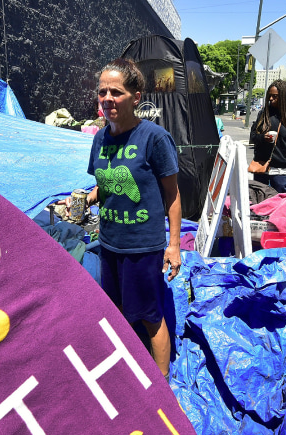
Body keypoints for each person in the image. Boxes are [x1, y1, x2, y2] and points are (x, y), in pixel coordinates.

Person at [82, 58, 182, 379]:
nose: (107, 98)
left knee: (150, 315)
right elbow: (104, 182)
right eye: (103, 92)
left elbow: (173, 195)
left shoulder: (154, 138)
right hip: (109, 244)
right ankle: (127, 372)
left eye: (116, 92)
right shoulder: (100, 139)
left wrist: (174, 245)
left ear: (135, 96)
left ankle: (162, 385)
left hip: (142, 247)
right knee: (117, 311)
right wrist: (85, 197)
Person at [248, 79, 286, 194]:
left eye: (275, 96)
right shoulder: (264, 113)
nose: (271, 99)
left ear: (284, 96)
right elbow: (253, 136)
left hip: (281, 165)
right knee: (260, 194)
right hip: (261, 162)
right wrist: (263, 138)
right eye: (270, 96)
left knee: (279, 194)